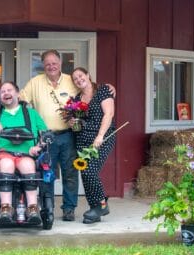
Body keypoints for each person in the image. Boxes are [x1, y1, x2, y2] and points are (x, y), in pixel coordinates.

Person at [20, 49, 116, 221]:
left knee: (71, 173)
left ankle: (69, 209)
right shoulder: (35, 83)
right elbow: (21, 101)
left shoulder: (71, 81)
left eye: (54, 63)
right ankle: (47, 207)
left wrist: (109, 87)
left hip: (69, 135)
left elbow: (88, 87)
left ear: (60, 63)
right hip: (46, 136)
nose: (51, 66)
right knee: (47, 173)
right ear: (43, 65)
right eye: (48, 63)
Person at [0, 81, 47, 225]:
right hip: (4, 152)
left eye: (9, 90)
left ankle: (32, 208)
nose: (6, 93)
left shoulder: (31, 113)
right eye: (2, 92)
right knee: (7, 164)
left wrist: (38, 147)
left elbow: (46, 135)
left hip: (26, 153)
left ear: (17, 94)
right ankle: (6, 208)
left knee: (28, 166)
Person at [70, 67, 115, 224]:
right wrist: (73, 122)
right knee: (85, 173)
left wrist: (100, 136)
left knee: (90, 171)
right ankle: (95, 208)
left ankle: (102, 205)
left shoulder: (102, 90)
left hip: (101, 138)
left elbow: (109, 114)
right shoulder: (76, 99)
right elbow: (78, 121)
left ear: (88, 75)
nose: (79, 80)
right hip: (82, 139)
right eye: (75, 79)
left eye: (81, 76)